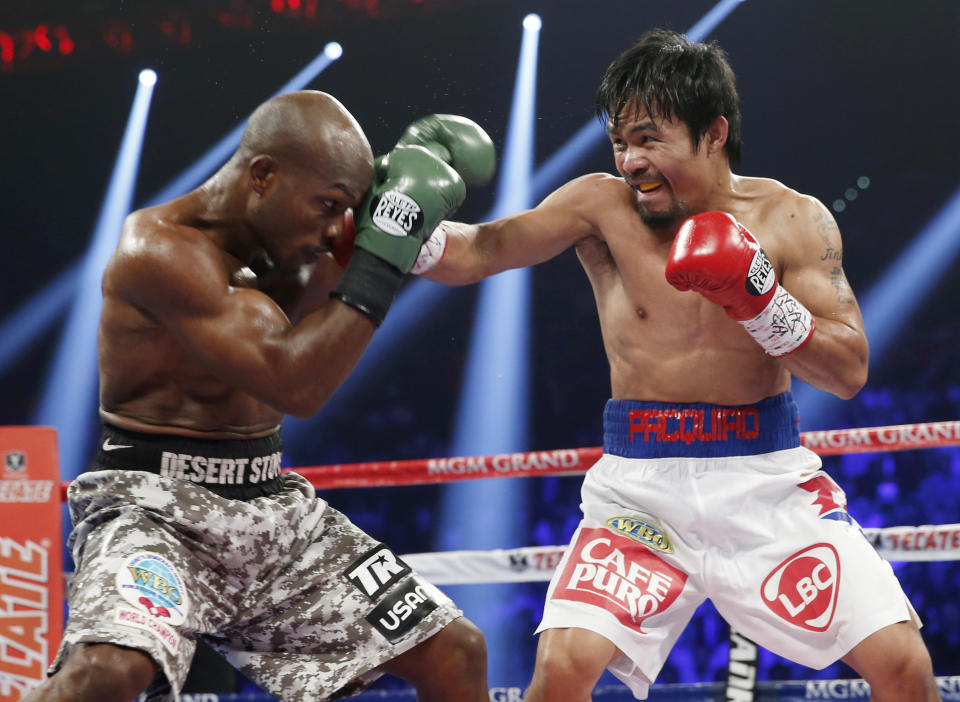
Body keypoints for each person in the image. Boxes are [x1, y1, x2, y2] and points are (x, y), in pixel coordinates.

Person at [416, 30, 941, 702]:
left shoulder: (790, 218)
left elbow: (848, 370)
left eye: (649, 138)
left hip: (765, 484)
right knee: (561, 669)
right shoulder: (600, 206)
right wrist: (409, 233)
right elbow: (483, 249)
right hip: (640, 491)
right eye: (619, 141)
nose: (630, 159)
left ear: (714, 132)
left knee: (902, 663)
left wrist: (760, 302)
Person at [26, 91, 496, 702]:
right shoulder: (159, 251)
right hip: (156, 507)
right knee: (106, 675)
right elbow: (295, 383)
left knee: (458, 652)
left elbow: (487, 250)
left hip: (273, 508)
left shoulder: (295, 244)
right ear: (263, 175)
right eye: (326, 206)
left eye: (345, 211)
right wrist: (385, 250)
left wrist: (396, 217)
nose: (333, 230)